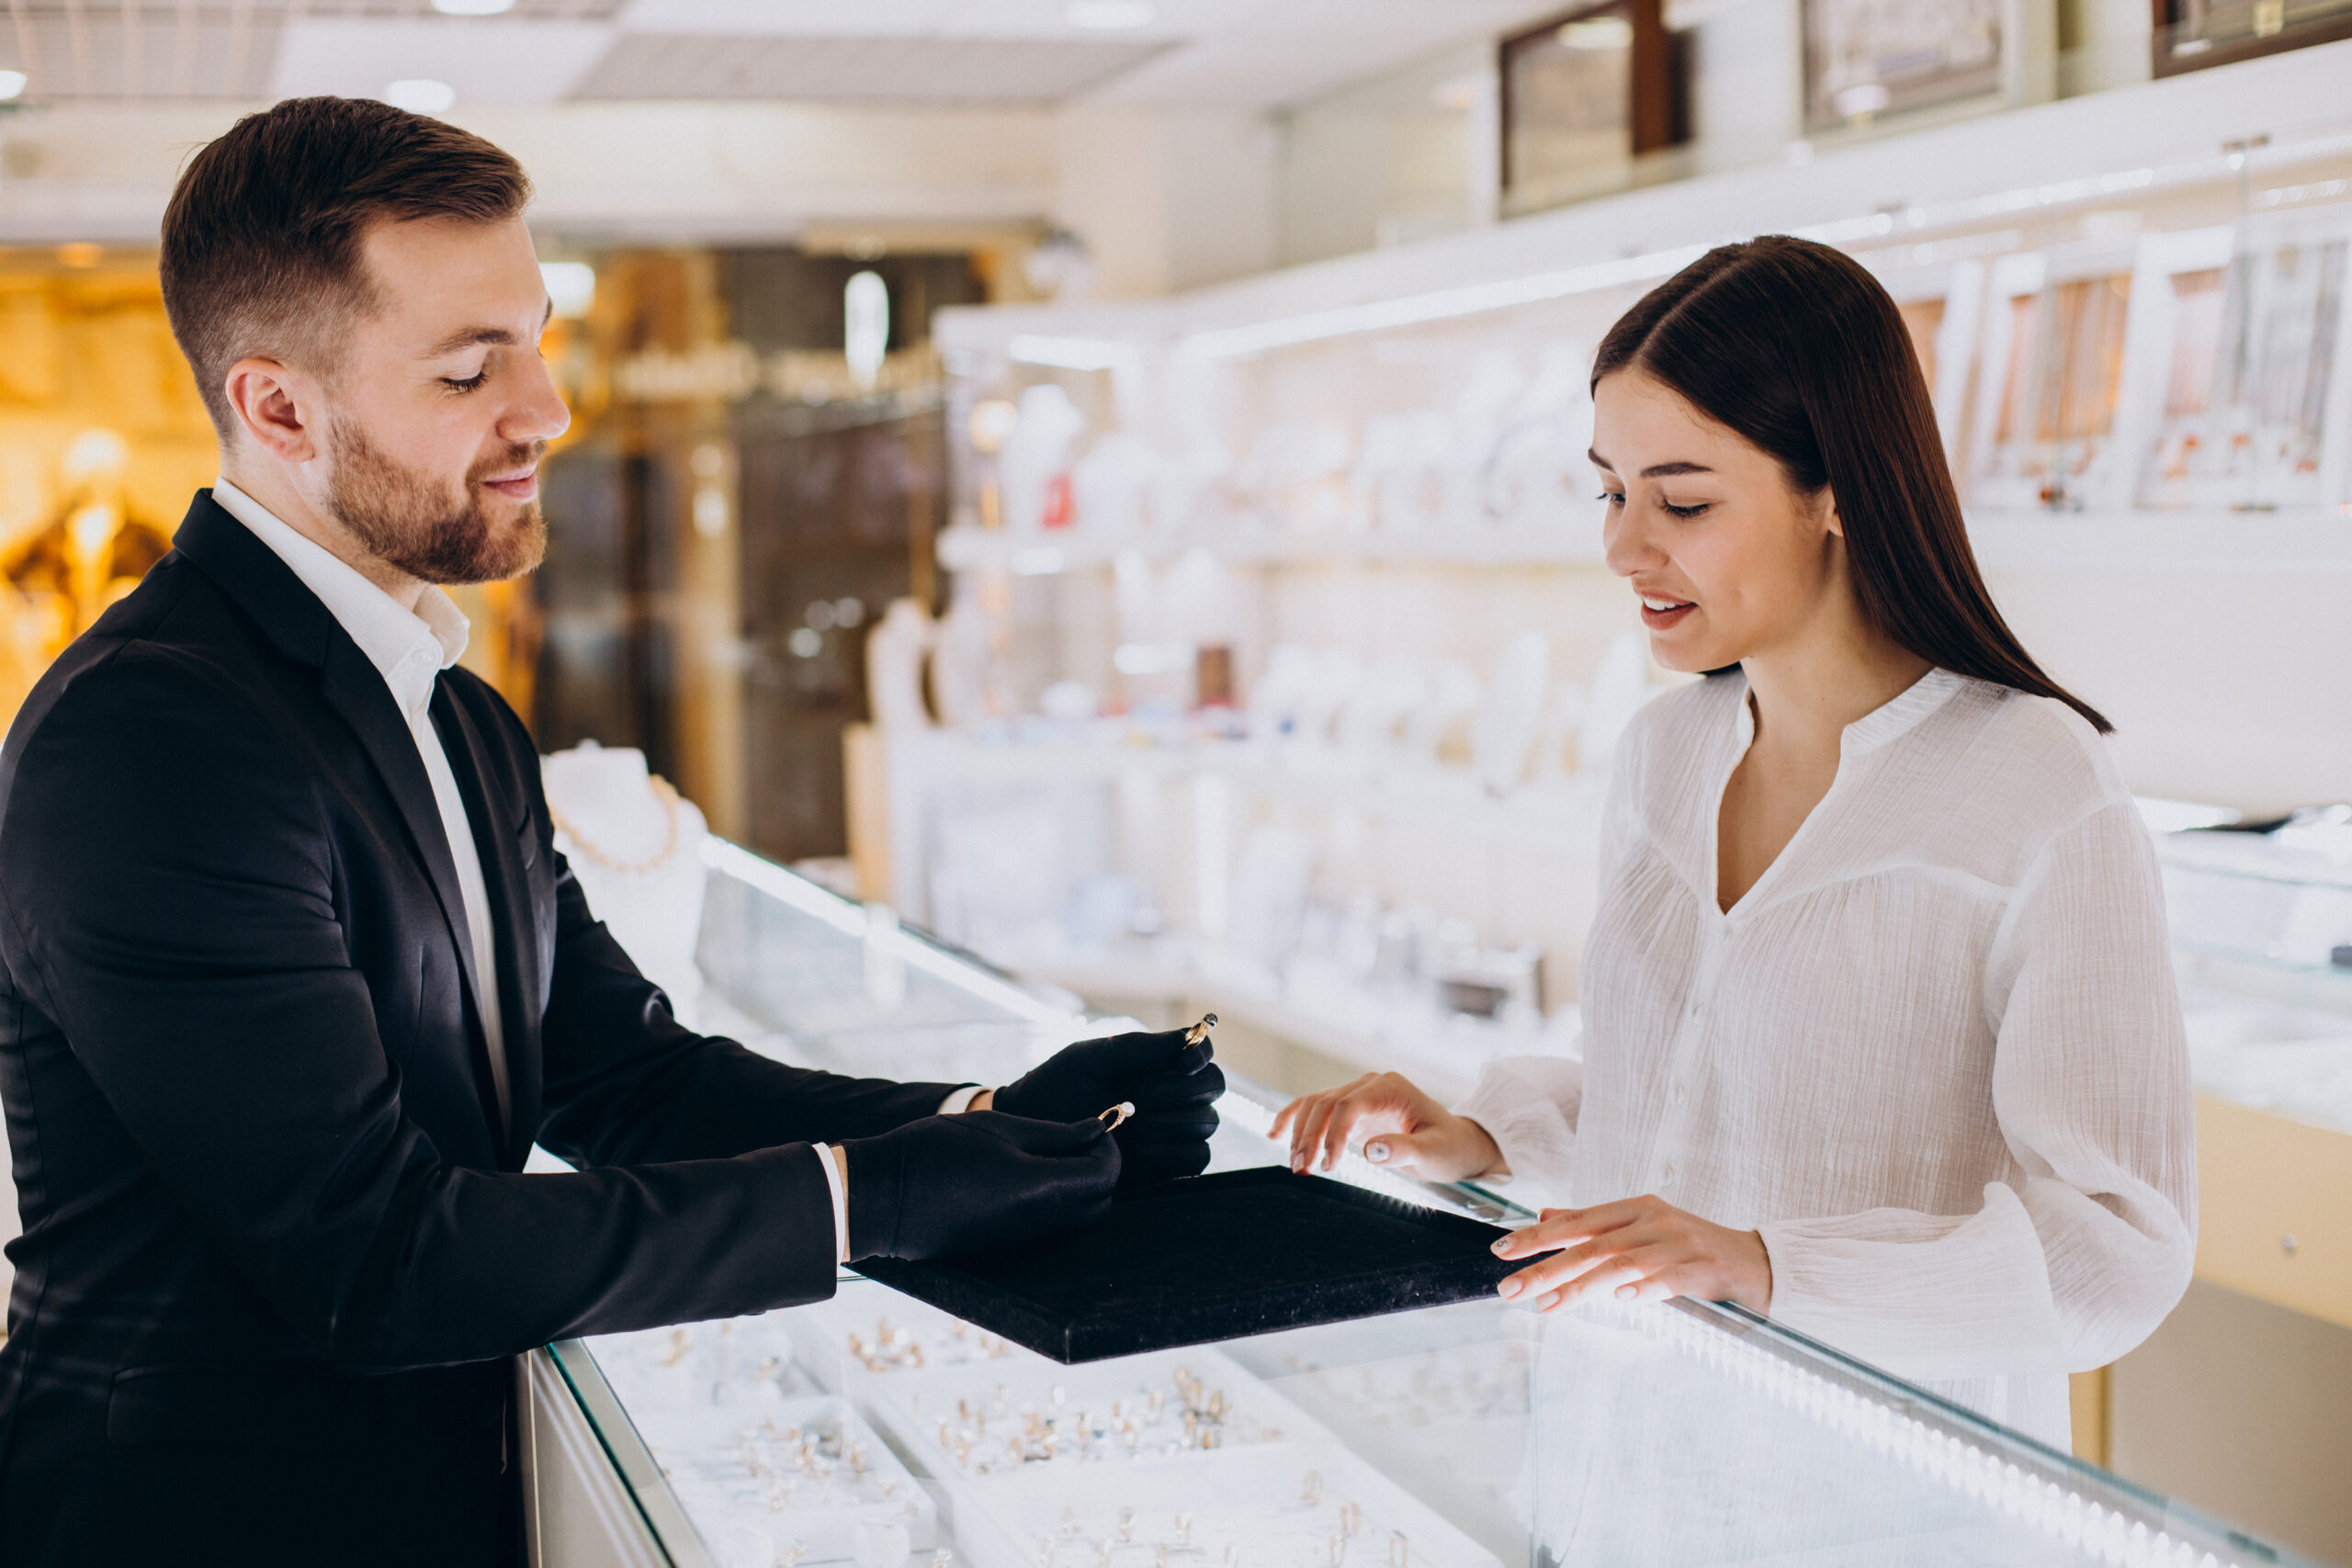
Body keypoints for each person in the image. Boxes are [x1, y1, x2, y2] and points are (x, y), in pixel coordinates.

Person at [0, 97, 1221, 1568]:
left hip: (437, 1482)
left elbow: (623, 1079)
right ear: (277, 409)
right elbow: (373, 1258)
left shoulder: (457, 712)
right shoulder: (150, 737)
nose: (548, 411)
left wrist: (979, 1119)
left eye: (537, 341)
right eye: (471, 370)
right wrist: (873, 1201)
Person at [1273, 235, 2193, 1449]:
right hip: (1637, 1454)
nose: (1623, 546)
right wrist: (1485, 1134)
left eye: (1684, 501)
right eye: (1611, 491)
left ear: (1837, 491)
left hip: (1889, 1496)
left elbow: (2117, 1251)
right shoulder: (1663, 757)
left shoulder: (2034, 787)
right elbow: (1693, 1086)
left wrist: (1769, 1265)